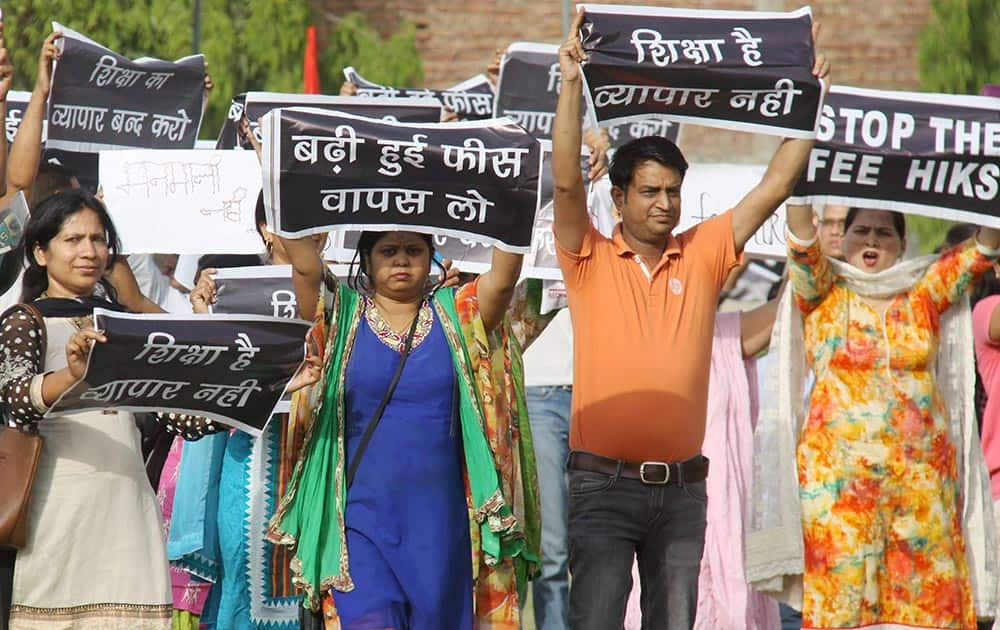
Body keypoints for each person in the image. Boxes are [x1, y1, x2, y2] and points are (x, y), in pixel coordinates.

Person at [551, 10, 829, 628]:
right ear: (619, 199)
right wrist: (571, 84)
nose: (664, 204)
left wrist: (809, 105)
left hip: (682, 492)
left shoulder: (702, 251)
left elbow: (776, 185)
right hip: (602, 487)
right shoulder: (589, 256)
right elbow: (567, 184)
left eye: (673, 191)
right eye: (649, 192)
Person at [267, 227, 540, 628]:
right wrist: (282, 181)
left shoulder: (457, 315)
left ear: (431, 257)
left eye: (414, 250)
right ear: (367, 258)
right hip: (359, 522)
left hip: (441, 526)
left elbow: (502, 281)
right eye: (388, 250)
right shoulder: (341, 314)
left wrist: (512, 197)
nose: (401, 260)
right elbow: (305, 267)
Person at [749, 203, 1000, 628]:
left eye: (884, 233)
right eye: (861, 230)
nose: (871, 240)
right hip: (839, 498)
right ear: (842, 241)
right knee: (843, 614)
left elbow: (984, 248)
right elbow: (800, 240)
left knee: (926, 614)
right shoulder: (821, 291)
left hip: (921, 496)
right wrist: (798, 172)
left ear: (902, 245)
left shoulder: (926, 292)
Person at [0, 190, 224, 629]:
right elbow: (16, 400)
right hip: (55, 505)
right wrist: (73, 373)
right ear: (40, 253)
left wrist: (273, 384)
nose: (89, 251)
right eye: (74, 240)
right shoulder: (25, 320)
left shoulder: (127, 326)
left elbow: (184, 418)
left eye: (99, 240)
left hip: (126, 502)